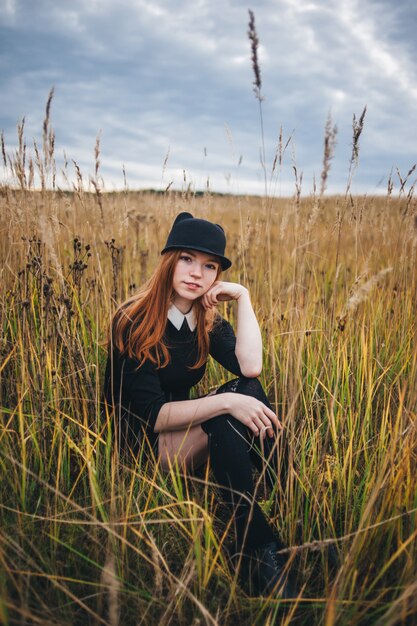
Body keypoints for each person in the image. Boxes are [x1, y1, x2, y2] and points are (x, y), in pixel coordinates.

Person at [103, 211, 297, 598]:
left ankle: (278, 489)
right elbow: (154, 416)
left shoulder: (204, 320)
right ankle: (255, 547)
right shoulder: (134, 320)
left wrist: (242, 296)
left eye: (209, 266)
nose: (197, 273)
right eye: (187, 259)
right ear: (169, 261)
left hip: (181, 433)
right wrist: (225, 402)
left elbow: (251, 367)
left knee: (245, 392)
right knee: (226, 413)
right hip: (143, 446)